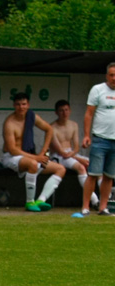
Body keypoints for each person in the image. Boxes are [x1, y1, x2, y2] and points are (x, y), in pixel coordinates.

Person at [2, 92, 66, 212]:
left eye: (24, 104)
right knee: (32, 163)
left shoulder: (32, 116)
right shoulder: (9, 123)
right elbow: (12, 149)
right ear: (14, 105)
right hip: (12, 157)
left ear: (28, 105)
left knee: (60, 169)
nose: (21, 107)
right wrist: (37, 158)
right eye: (18, 104)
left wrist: (43, 152)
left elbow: (49, 129)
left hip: (30, 155)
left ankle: (41, 200)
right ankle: (30, 202)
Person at [51, 99, 100, 215]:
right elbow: (61, 152)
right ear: (56, 112)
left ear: (70, 111)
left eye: (66, 110)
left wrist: (77, 156)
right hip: (58, 156)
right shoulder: (52, 127)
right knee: (81, 167)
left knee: (97, 166)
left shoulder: (74, 125)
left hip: (72, 154)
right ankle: (95, 201)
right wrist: (79, 159)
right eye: (61, 110)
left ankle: (106, 200)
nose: (64, 113)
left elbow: (76, 147)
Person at [78, 62, 115, 217]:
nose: (114, 78)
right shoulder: (97, 90)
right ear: (107, 76)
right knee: (93, 174)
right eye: (111, 75)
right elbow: (89, 113)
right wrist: (87, 135)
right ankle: (85, 207)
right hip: (100, 139)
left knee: (109, 176)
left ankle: (103, 207)